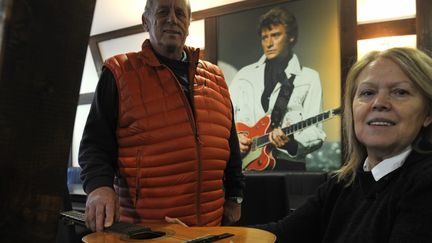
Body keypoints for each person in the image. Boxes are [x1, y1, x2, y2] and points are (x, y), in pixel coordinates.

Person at [78, 0, 244, 232]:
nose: (172, 20)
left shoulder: (216, 77)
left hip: (209, 227)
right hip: (145, 230)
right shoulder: (119, 73)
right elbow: (94, 145)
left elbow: (230, 143)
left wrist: (235, 196)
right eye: (163, 12)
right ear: (146, 21)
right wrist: (99, 187)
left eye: (179, 13)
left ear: (189, 22)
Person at [253, 47, 432, 242]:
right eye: (367, 92)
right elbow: (280, 234)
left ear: (428, 114)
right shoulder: (344, 183)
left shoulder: (425, 182)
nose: (379, 102)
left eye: (400, 92)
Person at [229, 7, 326, 171]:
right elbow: (225, 120)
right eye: (264, 37)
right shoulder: (244, 75)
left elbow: (316, 132)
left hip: (287, 166)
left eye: (275, 35)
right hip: (245, 165)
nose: (268, 43)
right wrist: (234, 140)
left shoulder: (309, 78)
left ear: (291, 37)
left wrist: (292, 143)